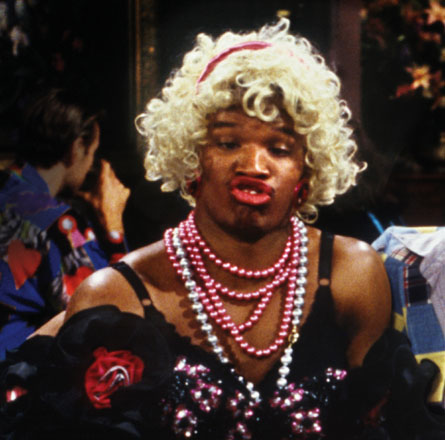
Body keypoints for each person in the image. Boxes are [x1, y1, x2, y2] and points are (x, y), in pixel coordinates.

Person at [1, 19, 444, 439]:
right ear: (192, 159)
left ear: (307, 171)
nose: (253, 165)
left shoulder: (353, 274)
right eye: (228, 143)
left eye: (279, 147)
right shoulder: (115, 295)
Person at [0, 88, 129, 359]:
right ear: (76, 148)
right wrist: (114, 229)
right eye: (92, 153)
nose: (90, 164)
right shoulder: (59, 224)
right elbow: (105, 313)